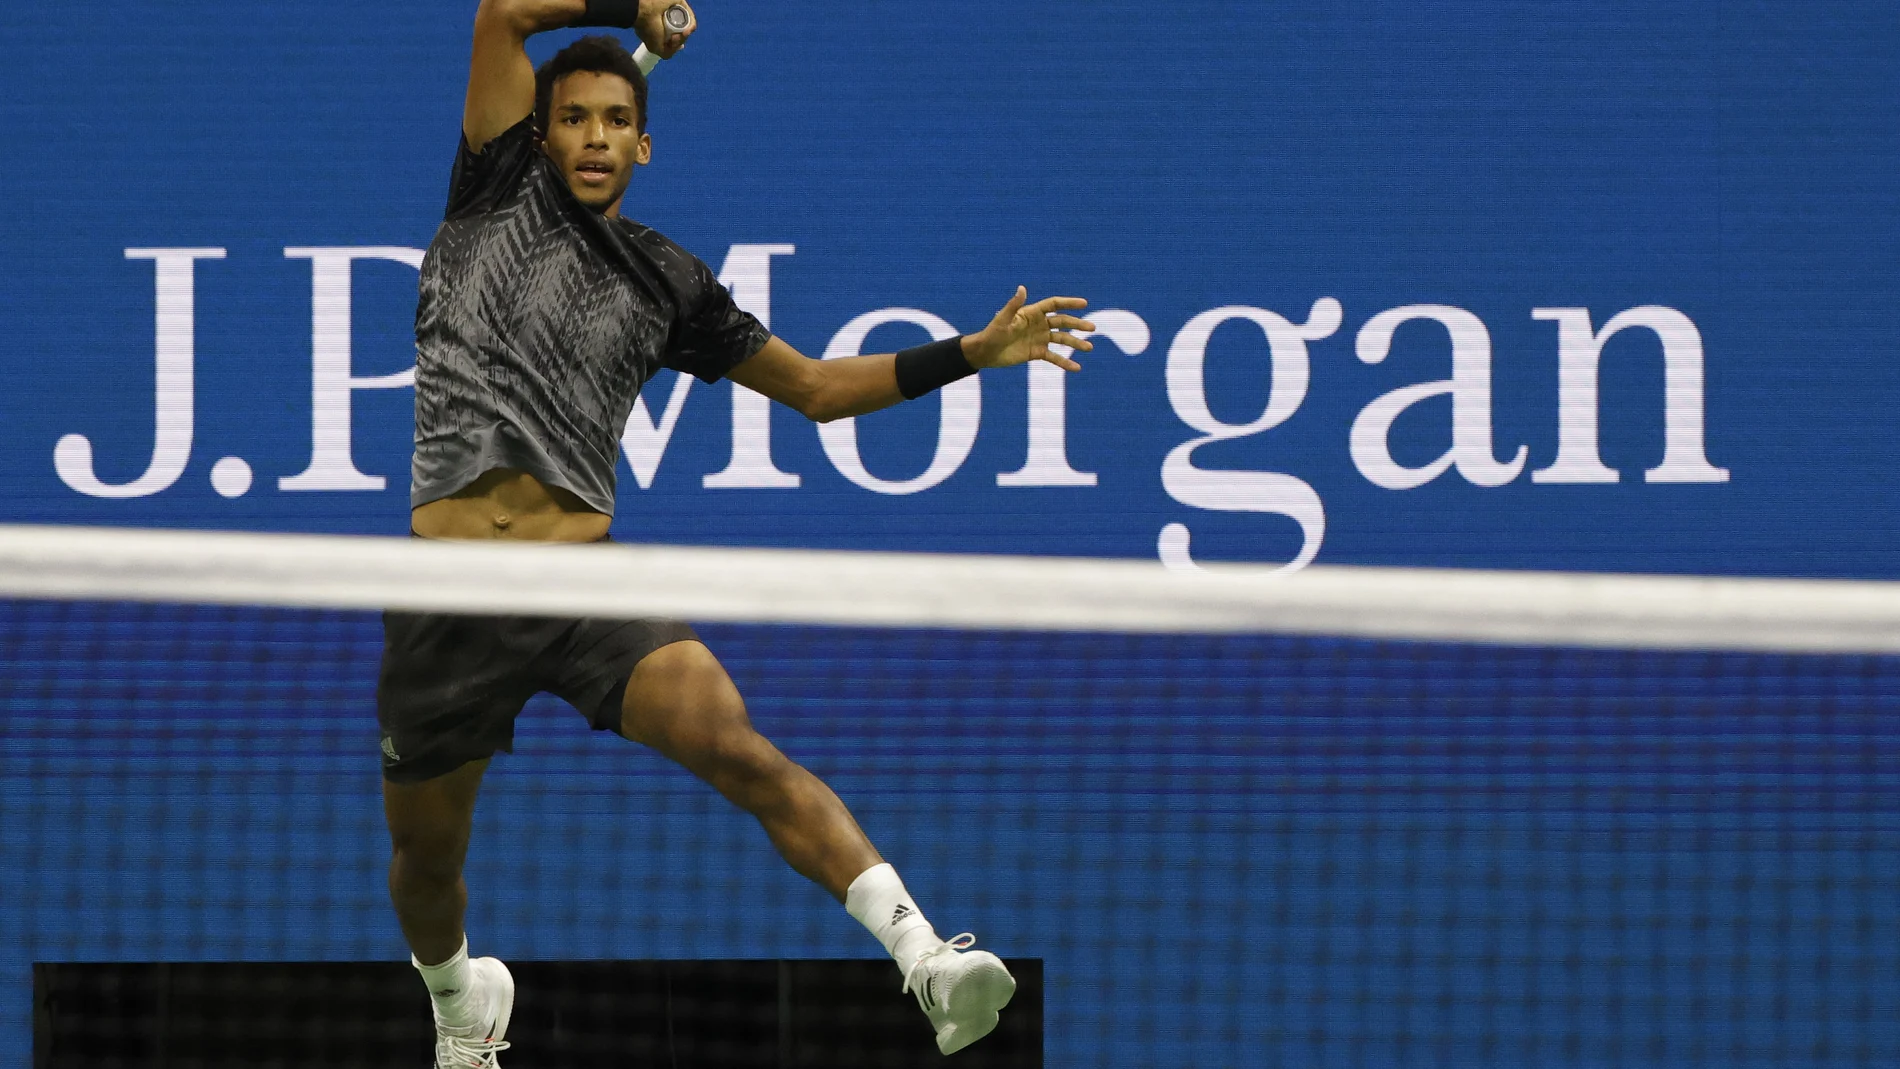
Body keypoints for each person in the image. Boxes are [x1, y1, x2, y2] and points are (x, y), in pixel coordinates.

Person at [380, 1, 1096, 1064]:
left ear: (641, 143)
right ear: (540, 134)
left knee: (738, 746)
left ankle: (925, 957)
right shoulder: (489, 190)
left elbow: (813, 387)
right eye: (572, 118)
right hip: (447, 597)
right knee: (427, 862)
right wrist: (633, 10)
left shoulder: (665, 280)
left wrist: (969, 353)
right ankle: (457, 1004)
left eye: (614, 120)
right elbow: (505, 12)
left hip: (581, 590)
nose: (593, 136)